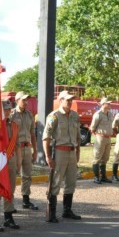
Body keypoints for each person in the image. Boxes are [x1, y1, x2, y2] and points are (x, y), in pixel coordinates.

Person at [43, 90, 82, 222]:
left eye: (71, 100)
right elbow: (46, 138)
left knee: (71, 182)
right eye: (67, 100)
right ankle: (52, 213)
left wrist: (78, 153)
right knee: (56, 182)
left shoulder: (75, 116)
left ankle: (67, 210)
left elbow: (78, 136)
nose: (70, 102)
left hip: (72, 152)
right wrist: (48, 157)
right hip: (59, 152)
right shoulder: (54, 116)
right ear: (60, 100)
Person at [0, 99, 21, 231]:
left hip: (11, 160)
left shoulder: (14, 125)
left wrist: (19, 162)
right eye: (5, 109)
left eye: (9, 109)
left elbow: (17, 146)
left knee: (10, 190)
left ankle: (8, 217)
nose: (7, 111)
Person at [11, 91, 39, 210]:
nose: (26, 102)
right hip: (15, 149)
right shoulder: (11, 114)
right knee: (12, 175)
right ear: (17, 101)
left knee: (27, 176)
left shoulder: (29, 114)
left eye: (27, 100)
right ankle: (9, 203)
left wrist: (35, 150)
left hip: (27, 148)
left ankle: (26, 201)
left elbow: (32, 133)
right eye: (23, 100)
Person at [90, 98, 113, 184]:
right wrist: (97, 136)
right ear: (103, 104)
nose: (110, 105)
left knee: (105, 158)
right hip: (100, 137)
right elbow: (92, 127)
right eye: (108, 103)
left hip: (108, 138)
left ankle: (103, 177)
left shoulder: (110, 114)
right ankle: (96, 177)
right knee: (97, 157)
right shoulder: (98, 114)